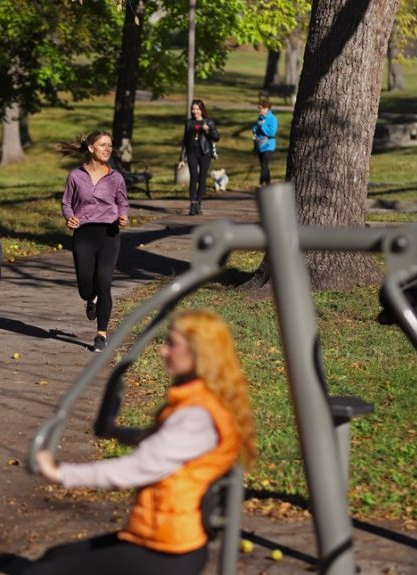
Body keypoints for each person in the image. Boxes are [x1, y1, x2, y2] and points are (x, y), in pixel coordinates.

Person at [23, 310, 258, 575]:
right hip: (157, 537)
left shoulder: (197, 416)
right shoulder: (198, 401)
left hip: (167, 552)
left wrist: (61, 472)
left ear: (198, 352)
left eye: (171, 344)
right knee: (54, 557)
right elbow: (161, 444)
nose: (163, 351)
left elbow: (138, 468)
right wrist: (115, 432)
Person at [59, 130, 129, 353]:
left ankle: (101, 334)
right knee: (86, 288)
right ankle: (91, 299)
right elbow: (66, 203)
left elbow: (122, 202)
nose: (108, 149)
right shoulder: (75, 176)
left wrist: (123, 216)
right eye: (103, 145)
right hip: (84, 235)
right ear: (90, 148)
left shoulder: (116, 177)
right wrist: (69, 217)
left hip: (109, 234)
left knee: (104, 281)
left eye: (110, 145)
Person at [178, 99, 220, 216]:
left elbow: (217, 137)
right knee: (193, 177)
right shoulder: (189, 123)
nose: (195, 111)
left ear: (202, 110)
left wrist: (208, 131)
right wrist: (181, 159)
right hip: (192, 153)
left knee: (202, 178)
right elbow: (185, 141)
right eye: (193, 109)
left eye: (197, 109)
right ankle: (192, 204)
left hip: (205, 153)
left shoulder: (209, 122)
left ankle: (199, 204)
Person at [253, 98, 278, 188]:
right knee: (264, 166)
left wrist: (262, 127)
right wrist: (255, 129)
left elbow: (272, 132)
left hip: (269, 145)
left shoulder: (272, 118)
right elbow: (255, 128)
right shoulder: (260, 118)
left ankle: (261, 183)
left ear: (267, 109)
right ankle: (268, 184)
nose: (259, 110)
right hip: (260, 145)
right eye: (258, 108)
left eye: (261, 108)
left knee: (264, 164)